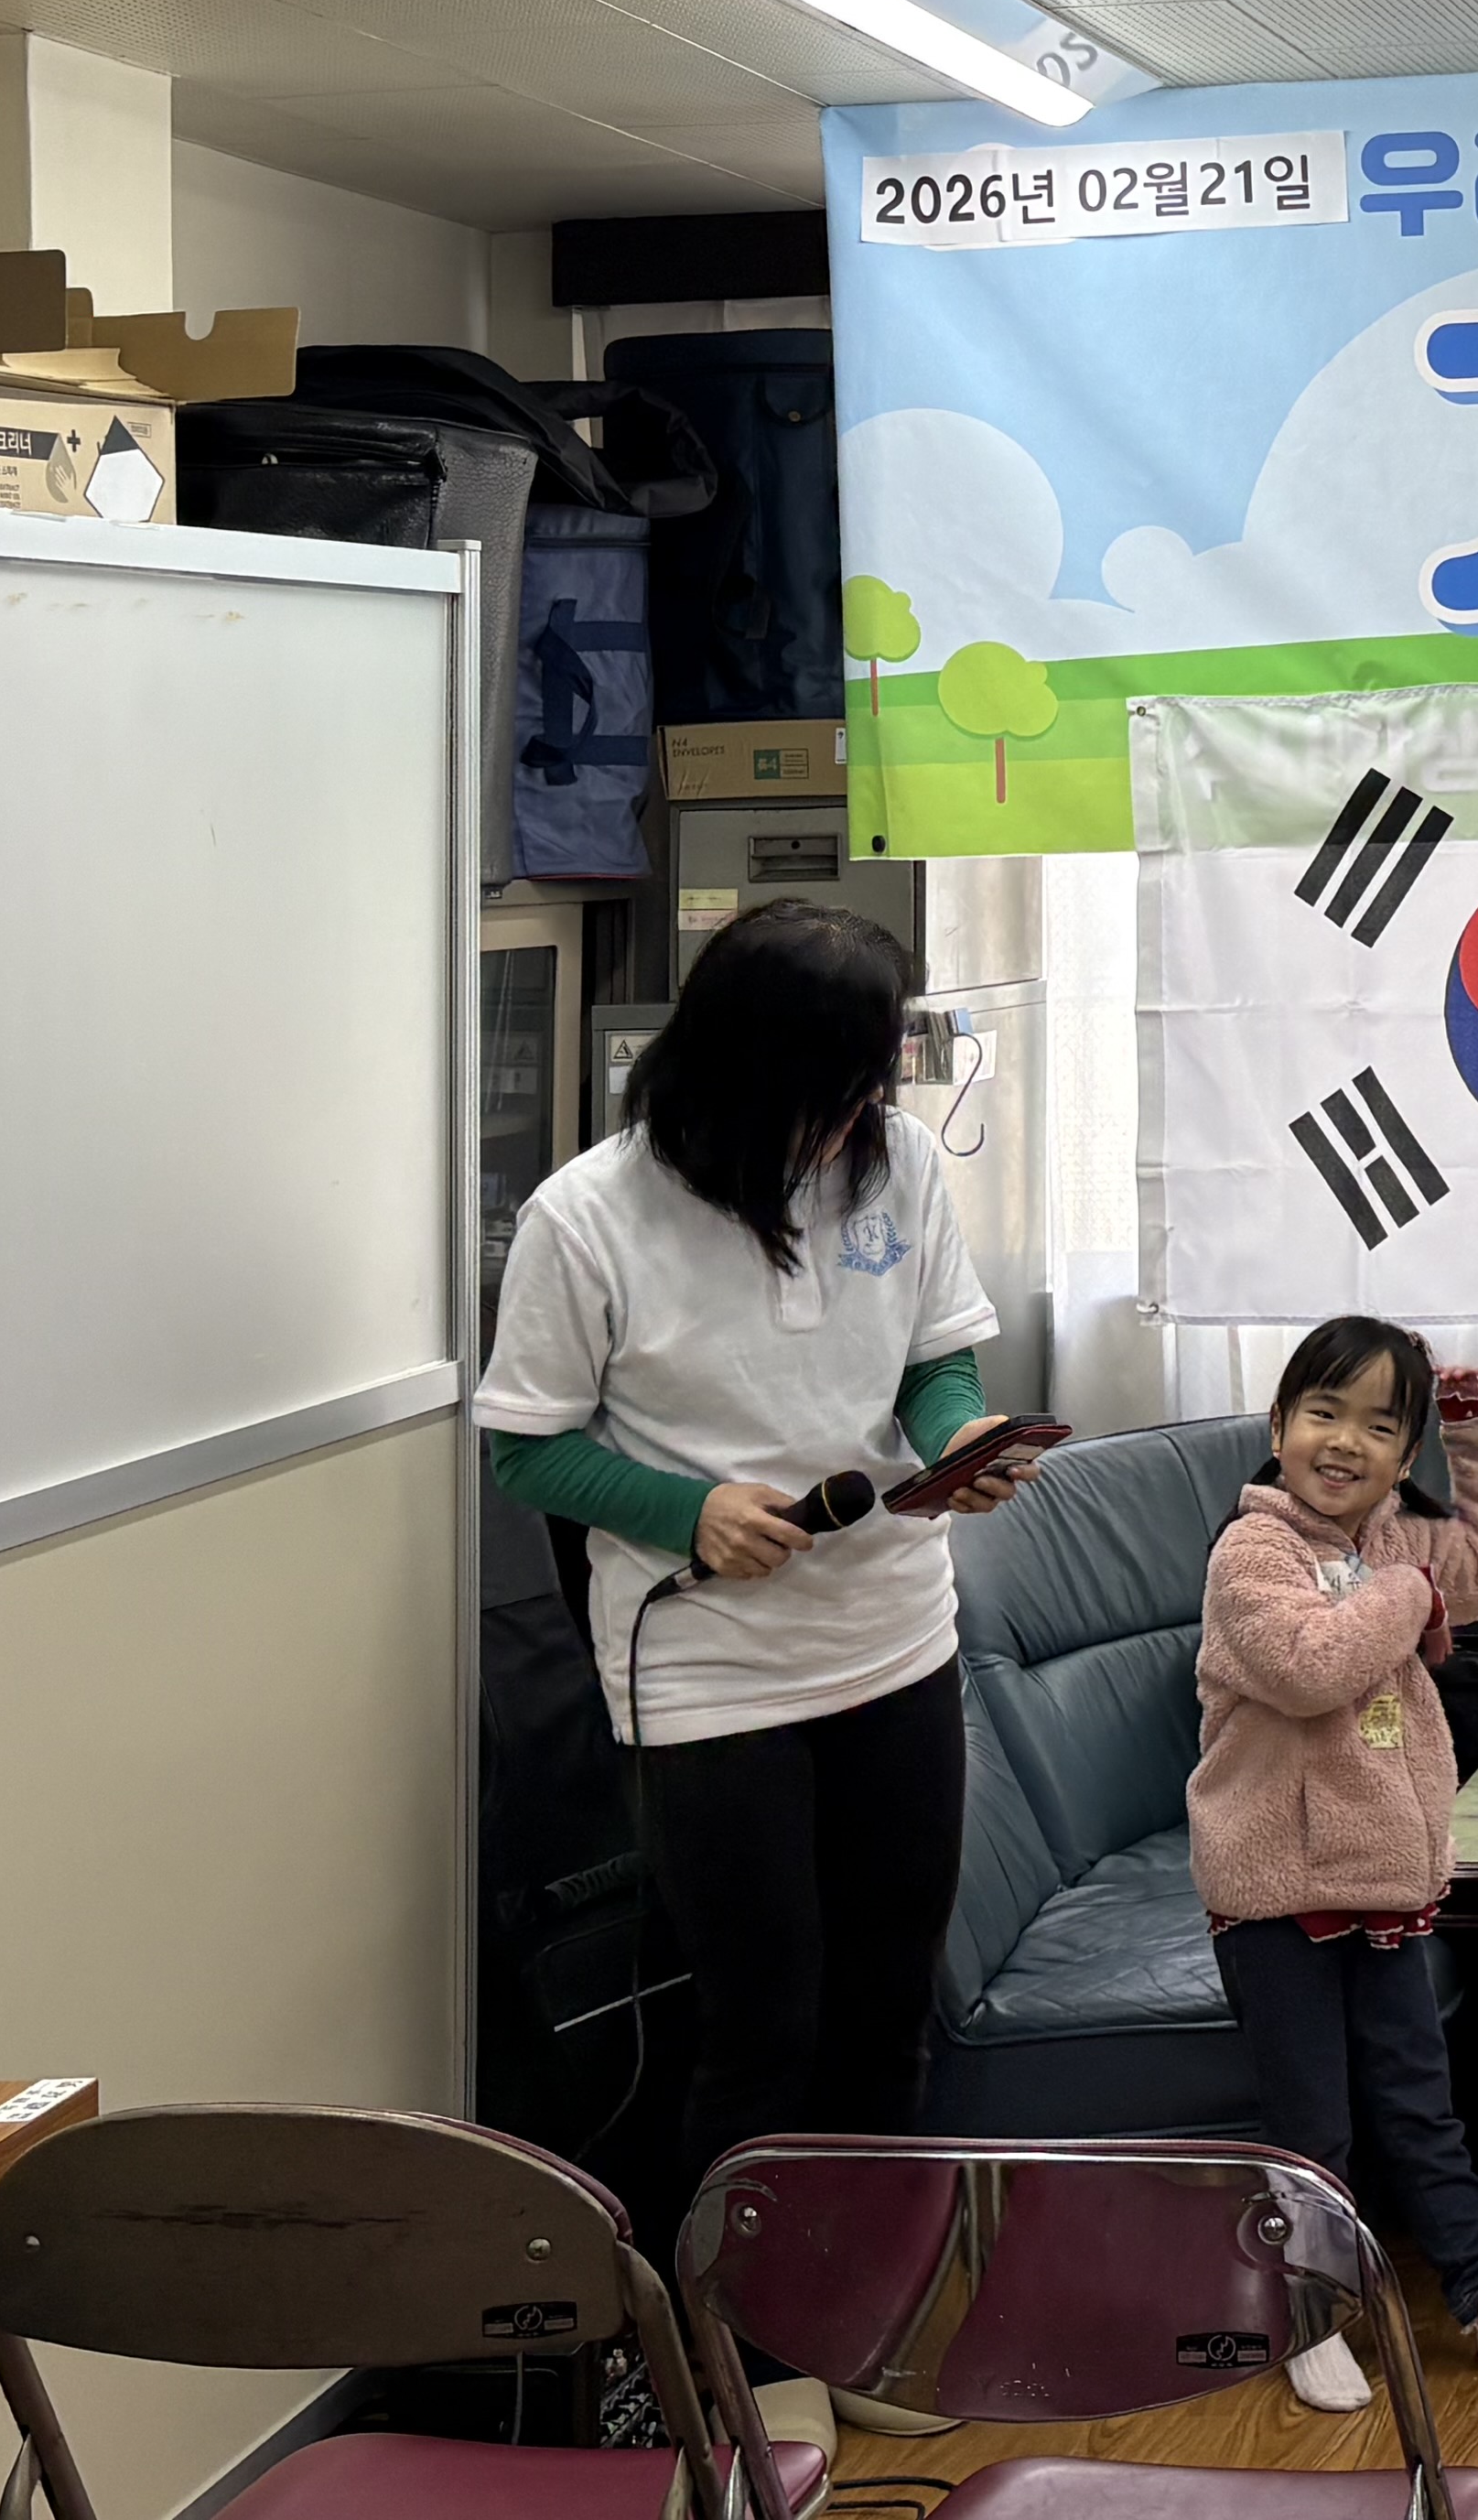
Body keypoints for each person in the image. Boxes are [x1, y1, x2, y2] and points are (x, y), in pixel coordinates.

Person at [474, 899, 1025, 2278]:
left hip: (896, 1637)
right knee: (763, 2030)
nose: (853, 1126)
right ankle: (745, 2347)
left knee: (888, 2014)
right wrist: (689, 1512)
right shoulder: (586, 1218)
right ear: (739, 1068)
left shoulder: (895, 1163)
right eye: (829, 1095)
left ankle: (870, 2319)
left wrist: (956, 1436)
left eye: (867, 1091)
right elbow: (526, 1449)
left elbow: (932, 1361)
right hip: (711, 1674)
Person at [1192, 1312, 1478, 2405]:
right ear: (1279, 1426)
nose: (1344, 1442)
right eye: (1322, 1413)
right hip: (1276, 1893)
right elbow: (1308, 1666)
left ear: (1405, 1454)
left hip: (1383, 1881)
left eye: (1380, 1427)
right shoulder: (1253, 1550)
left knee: (1421, 2106)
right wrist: (1408, 1596)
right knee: (1312, 2124)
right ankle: (1308, 2314)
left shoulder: (1396, 1542)